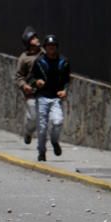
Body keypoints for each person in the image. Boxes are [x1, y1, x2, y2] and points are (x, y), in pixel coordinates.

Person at [31, 34, 70, 162]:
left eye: (53, 46)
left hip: (56, 99)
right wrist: (36, 82)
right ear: (45, 48)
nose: (51, 49)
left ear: (56, 47)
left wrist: (65, 90)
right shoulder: (39, 62)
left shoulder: (63, 62)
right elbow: (31, 78)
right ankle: (41, 152)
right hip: (42, 97)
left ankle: (54, 141)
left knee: (58, 121)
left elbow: (67, 80)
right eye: (49, 46)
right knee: (42, 128)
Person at [15, 31, 42, 145]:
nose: (37, 39)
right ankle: (28, 132)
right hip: (31, 92)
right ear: (29, 42)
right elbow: (18, 76)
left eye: (36, 37)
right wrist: (24, 85)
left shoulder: (45, 54)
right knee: (33, 118)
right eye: (33, 38)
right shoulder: (24, 58)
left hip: (44, 91)